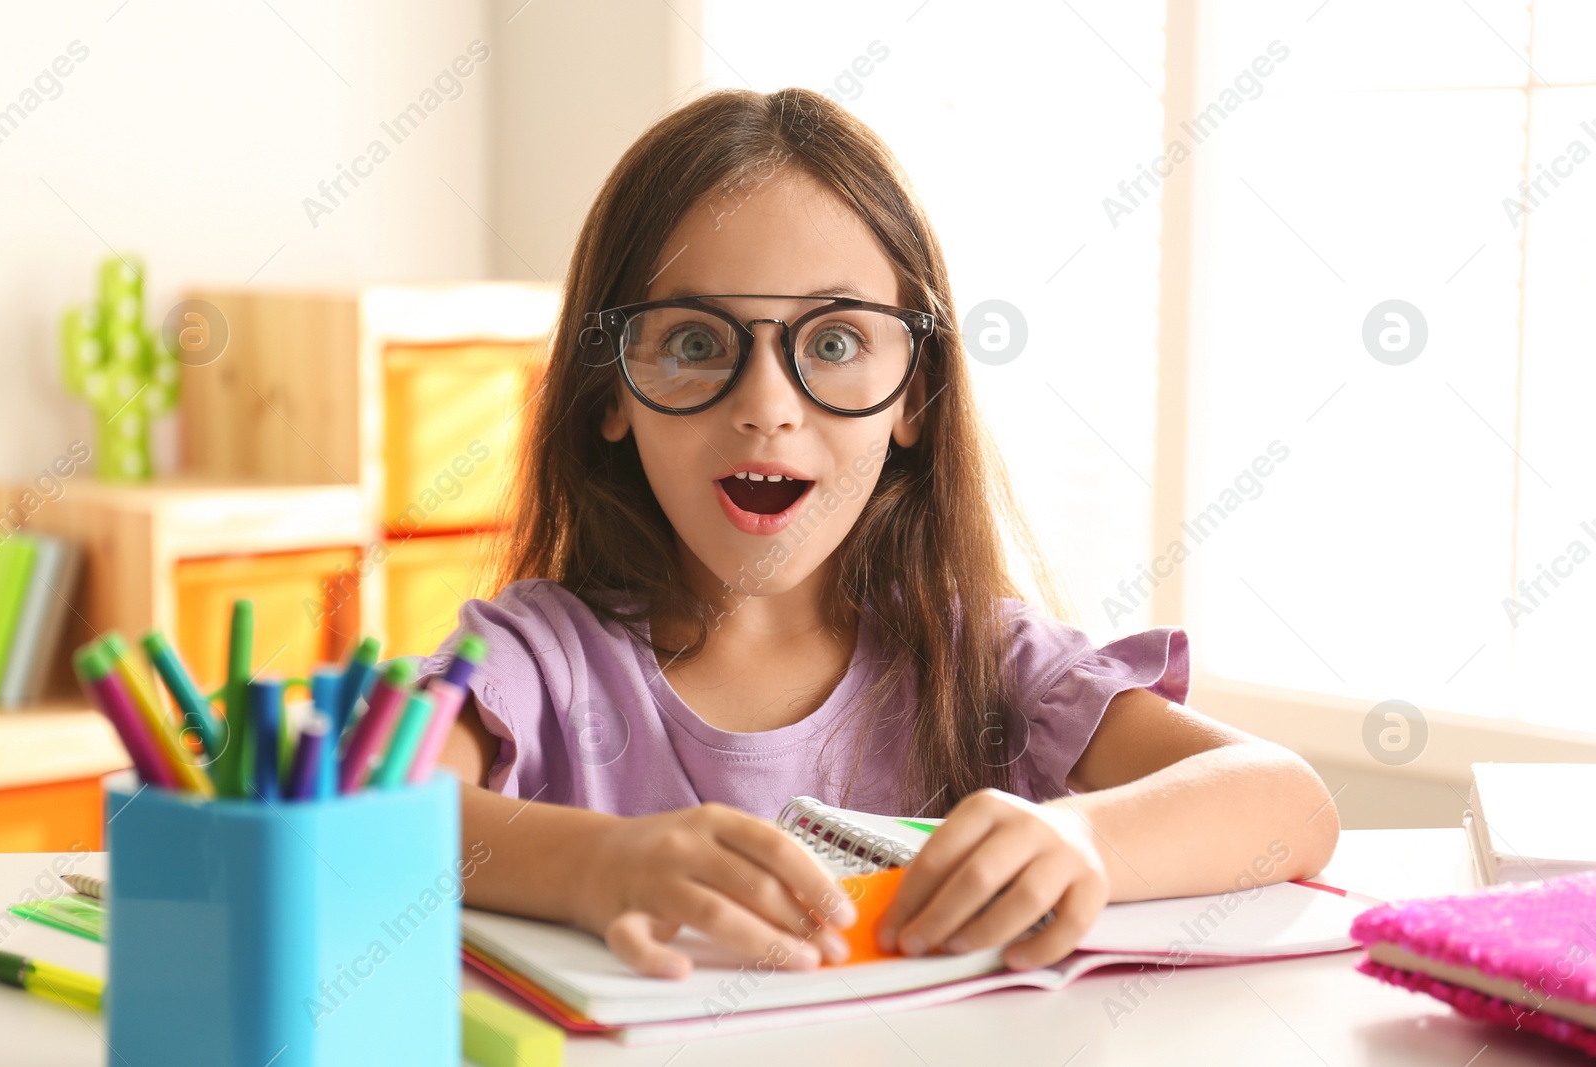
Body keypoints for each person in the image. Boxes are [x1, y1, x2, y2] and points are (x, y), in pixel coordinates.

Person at [423, 86, 1339, 980]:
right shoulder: (534, 659)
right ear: (610, 389)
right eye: (697, 343)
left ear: (914, 396)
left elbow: (1286, 800)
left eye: (832, 343)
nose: (766, 408)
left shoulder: (978, 657)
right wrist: (594, 866)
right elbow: (361, 813)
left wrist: (1082, 835)